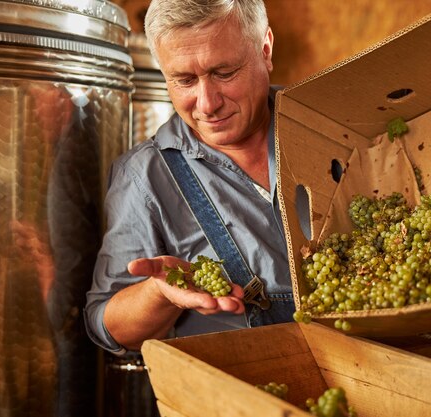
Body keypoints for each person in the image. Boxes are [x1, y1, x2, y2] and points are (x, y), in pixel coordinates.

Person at [84, 0, 295, 355]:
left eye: (224, 73)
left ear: (265, 50)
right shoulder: (143, 177)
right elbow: (108, 325)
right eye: (184, 80)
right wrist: (160, 294)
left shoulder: (332, 127)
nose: (207, 103)